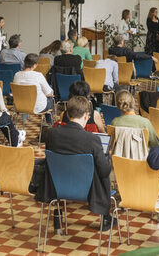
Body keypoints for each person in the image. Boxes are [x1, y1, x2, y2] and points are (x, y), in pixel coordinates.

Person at [46, 96, 114, 231]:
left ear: (67, 113)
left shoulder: (52, 133)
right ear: (86, 115)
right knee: (103, 169)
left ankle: (58, 212)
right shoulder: (92, 139)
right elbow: (105, 171)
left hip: (57, 187)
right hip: (87, 191)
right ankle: (105, 217)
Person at [13, 54, 55, 118]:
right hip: (38, 107)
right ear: (35, 65)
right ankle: (49, 123)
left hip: (20, 106)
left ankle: (25, 119)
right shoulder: (38, 75)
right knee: (50, 97)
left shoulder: (17, 75)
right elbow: (49, 93)